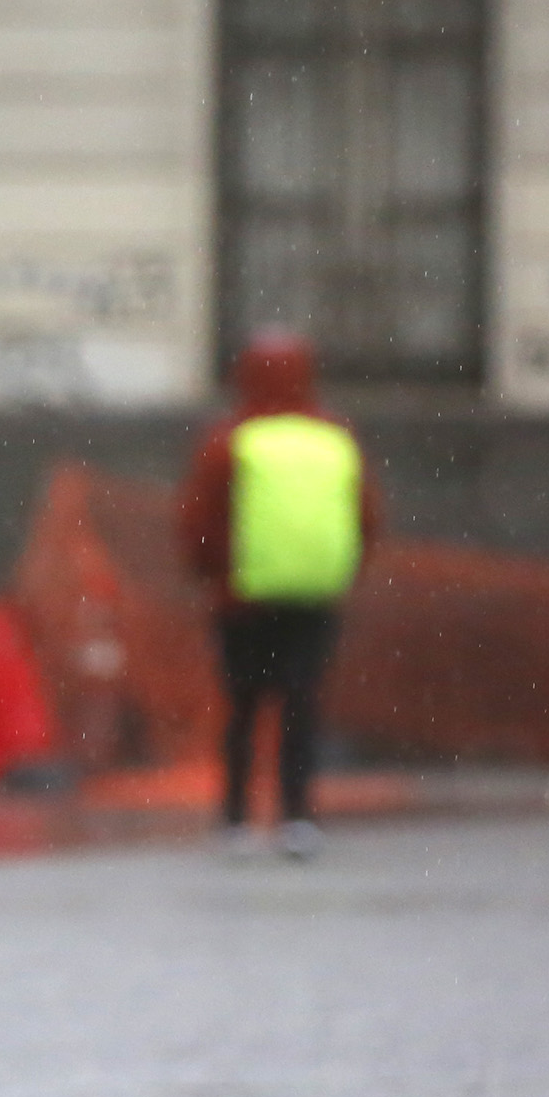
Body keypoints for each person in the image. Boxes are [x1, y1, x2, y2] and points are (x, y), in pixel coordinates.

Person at [176, 329, 381, 861]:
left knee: (242, 707)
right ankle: (298, 817)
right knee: (301, 705)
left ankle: (237, 819)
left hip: (242, 599)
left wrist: (211, 577)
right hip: (314, 596)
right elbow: (366, 518)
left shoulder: (230, 440)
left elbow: (200, 522)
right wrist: (341, 573)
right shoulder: (334, 437)